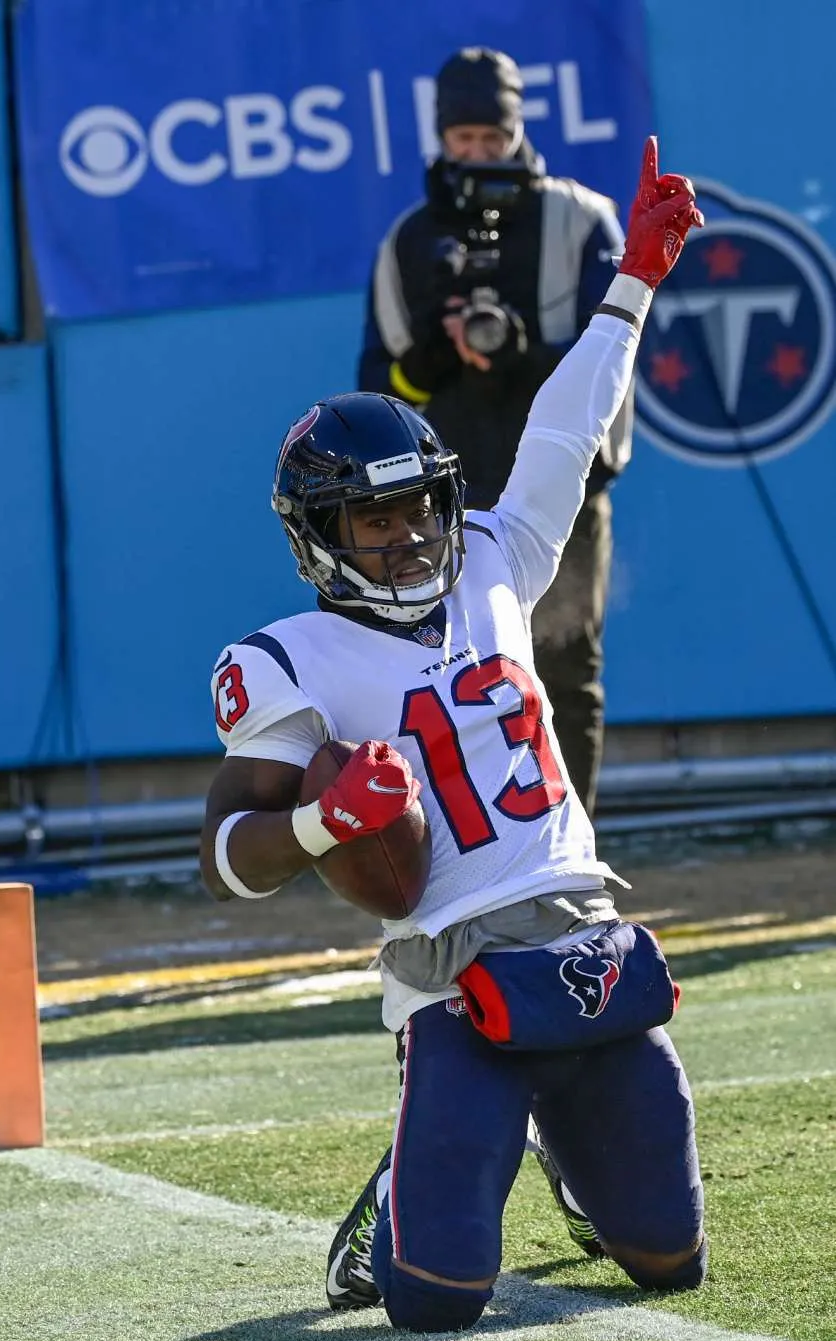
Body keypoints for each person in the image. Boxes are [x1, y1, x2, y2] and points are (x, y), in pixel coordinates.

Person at [200, 137, 705, 1334]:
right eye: (372, 517)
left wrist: (632, 280)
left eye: (419, 503)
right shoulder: (288, 657)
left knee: (669, 1257)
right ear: (318, 535)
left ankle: (574, 1163)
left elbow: (565, 430)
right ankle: (398, 1204)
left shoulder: (494, 558)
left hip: (579, 928)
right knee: (434, 1303)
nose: (411, 534)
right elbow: (225, 851)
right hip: (449, 965)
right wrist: (326, 818)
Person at [358, 47, 634, 817]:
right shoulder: (409, 241)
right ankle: (473, 857)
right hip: (444, 503)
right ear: (441, 137)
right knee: (449, 680)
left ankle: (571, 859)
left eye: (493, 137)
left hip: (564, 493)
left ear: (520, 129)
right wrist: (433, 356)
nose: (478, 154)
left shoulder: (581, 216)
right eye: (463, 139)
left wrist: (518, 354)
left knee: (564, 673)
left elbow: (615, 355)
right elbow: (382, 390)